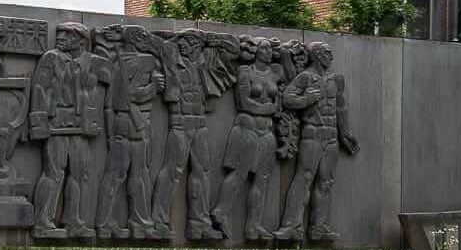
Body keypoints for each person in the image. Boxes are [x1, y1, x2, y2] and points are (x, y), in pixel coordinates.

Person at [149, 29, 237, 240]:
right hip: (179, 125)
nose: (182, 45)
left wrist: (212, 37)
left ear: (198, 45)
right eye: (181, 41)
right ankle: (158, 222)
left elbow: (233, 48)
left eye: (187, 41)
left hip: (200, 125)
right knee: (172, 171)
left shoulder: (205, 65)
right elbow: (157, 41)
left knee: (202, 173)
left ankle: (199, 225)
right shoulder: (172, 62)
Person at [29, 23, 109, 239]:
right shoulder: (51, 58)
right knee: (53, 172)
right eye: (60, 33)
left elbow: (115, 75)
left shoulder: (92, 62)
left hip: (81, 125)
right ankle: (42, 222)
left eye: (67, 35)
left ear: (82, 40)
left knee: (80, 174)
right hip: (56, 123)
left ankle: (73, 221)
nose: (61, 37)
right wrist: (38, 123)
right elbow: (39, 88)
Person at [274, 42, 359, 242]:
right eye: (327, 52)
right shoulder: (305, 77)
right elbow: (287, 98)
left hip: (331, 137)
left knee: (326, 183)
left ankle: (319, 228)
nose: (331, 56)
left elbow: (341, 107)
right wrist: (306, 100)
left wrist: (345, 134)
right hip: (312, 135)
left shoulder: (336, 79)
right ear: (317, 55)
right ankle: (292, 227)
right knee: (303, 179)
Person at [94, 25, 164, 240]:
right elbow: (129, 95)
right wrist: (154, 87)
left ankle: (140, 223)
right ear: (133, 39)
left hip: (139, 122)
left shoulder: (144, 60)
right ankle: (105, 223)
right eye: (142, 36)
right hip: (126, 122)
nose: (146, 39)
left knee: (140, 174)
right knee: (117, 174)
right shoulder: (123, 62)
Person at [211, 37, 281, 240]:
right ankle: (220, 212)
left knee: (263, 179)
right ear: (254, 50)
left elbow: (287, 60)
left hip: (267, 131)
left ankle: (253, 226)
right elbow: (243, 103)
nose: (268, 51)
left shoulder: (275, 73)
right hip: (246, 127)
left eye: (270, 48)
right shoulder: (245, 72)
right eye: (264, 47)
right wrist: (268, 108)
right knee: (239, 173)